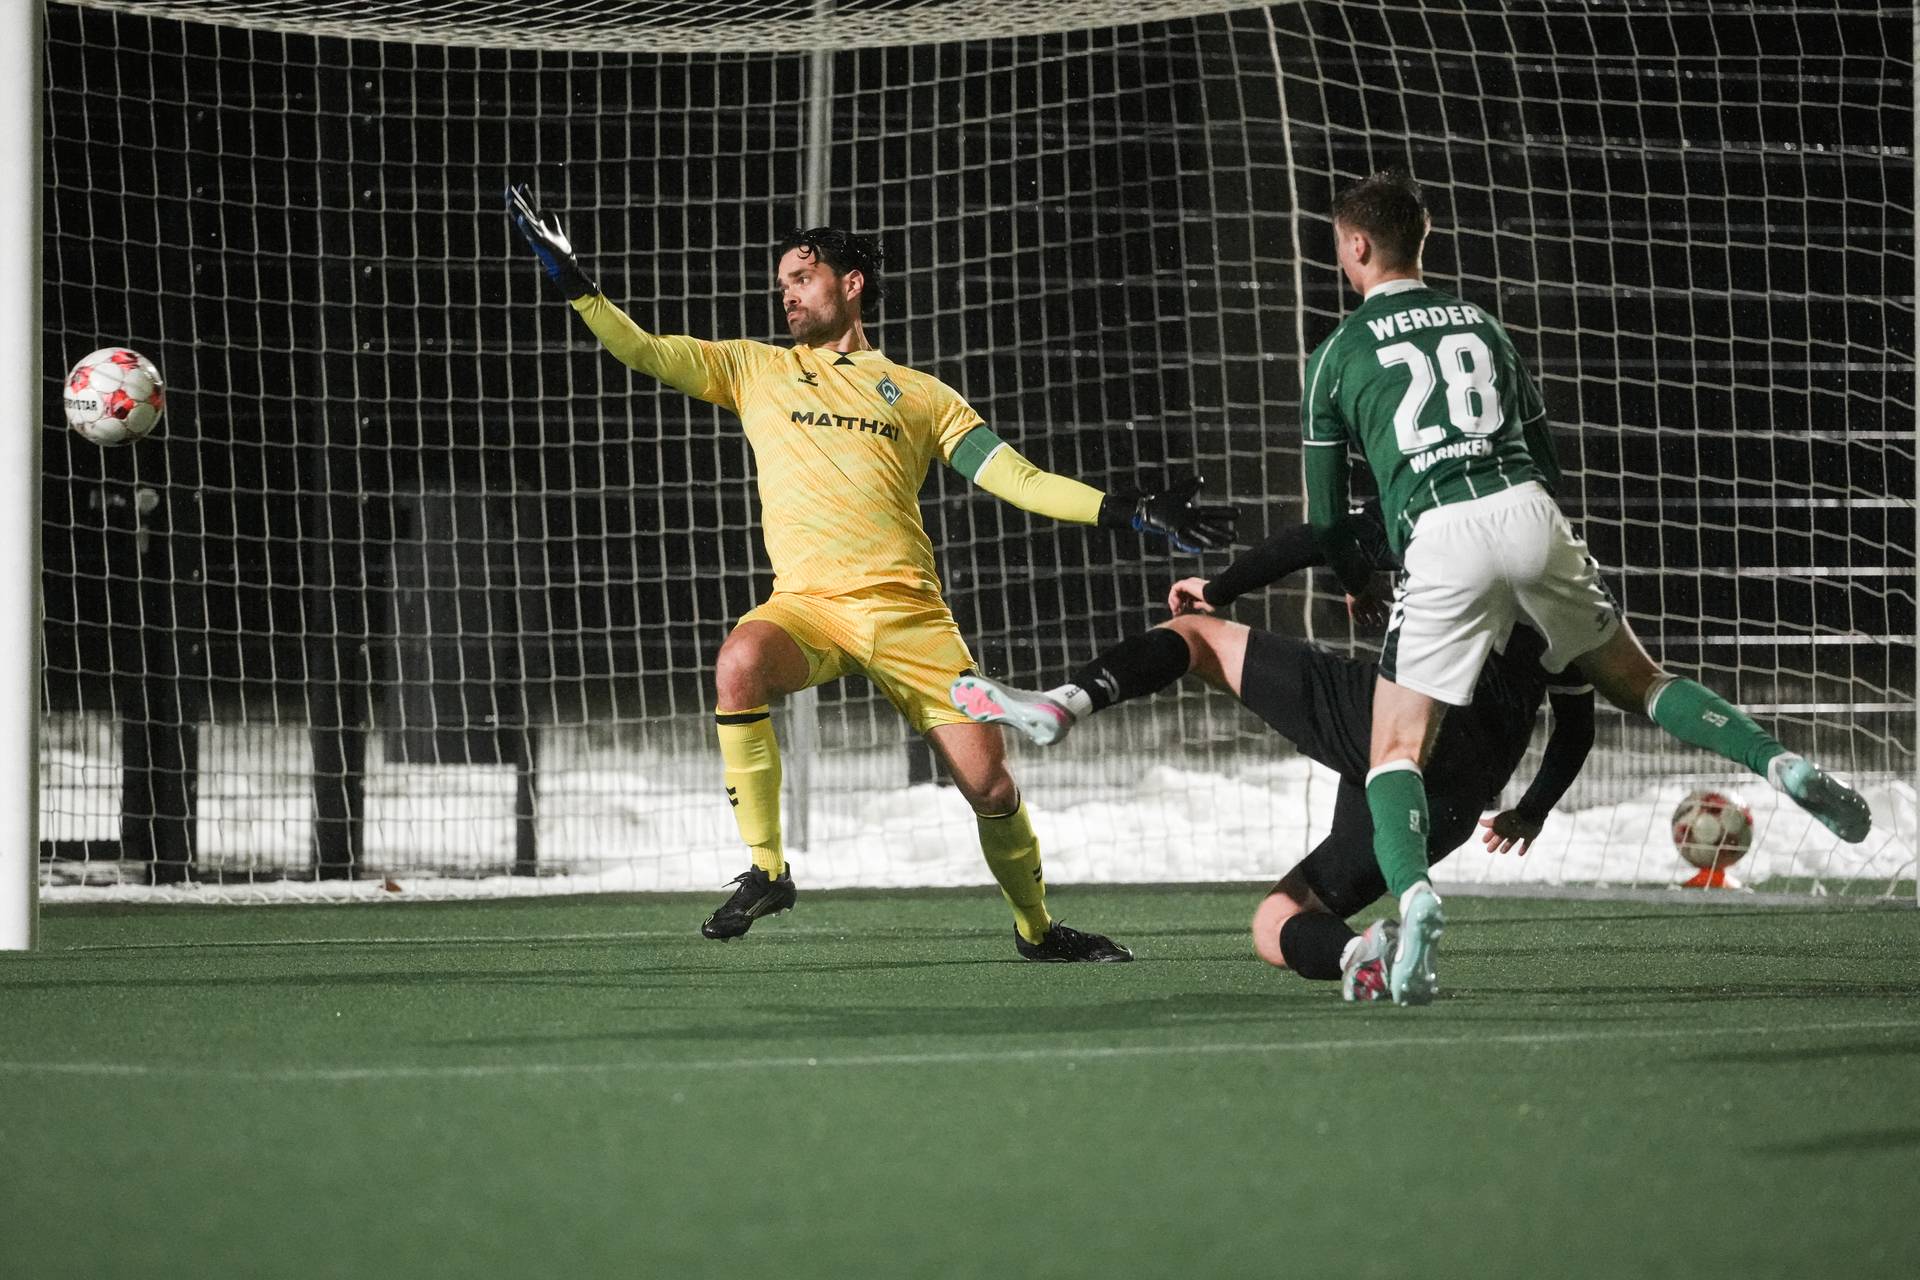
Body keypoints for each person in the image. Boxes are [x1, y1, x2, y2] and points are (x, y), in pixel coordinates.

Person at [506, 185, 1236, 960]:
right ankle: (767, 868)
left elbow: (1016, 478)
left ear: (849, 284)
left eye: (800, 277)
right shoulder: (752, 368)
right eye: (780, 281)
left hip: (909, 617)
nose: (784, 292)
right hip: (809, 608)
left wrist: (1124, 510)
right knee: (739, 663)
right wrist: (577, 286)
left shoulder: (923, 396)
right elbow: (643, 349)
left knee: (990, 788)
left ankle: (1037, 929)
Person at [1298, 170, 1870, 1004]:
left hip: (1441, 534)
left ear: (1355, 246)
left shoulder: (1339, 353)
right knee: (1643, 681)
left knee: (1396, 749)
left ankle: (1416, 898)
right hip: (1530, 511)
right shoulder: (1484, 324)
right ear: (1421, 242)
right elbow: (1548, 457)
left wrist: (1357, 580)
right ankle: (1777, 763)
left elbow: (1324, 522)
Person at [950, 508, 1595, 1000]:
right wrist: (1529, 812)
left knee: (1197, 637)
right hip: (1455, 797)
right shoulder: (1560, 564)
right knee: (1277, 920)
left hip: (1387, 723)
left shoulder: (1437, 504)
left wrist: (1222, 587)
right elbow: (1575, 729)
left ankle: (1071, 700)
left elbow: (1321, 535)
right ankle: (1361, 957)